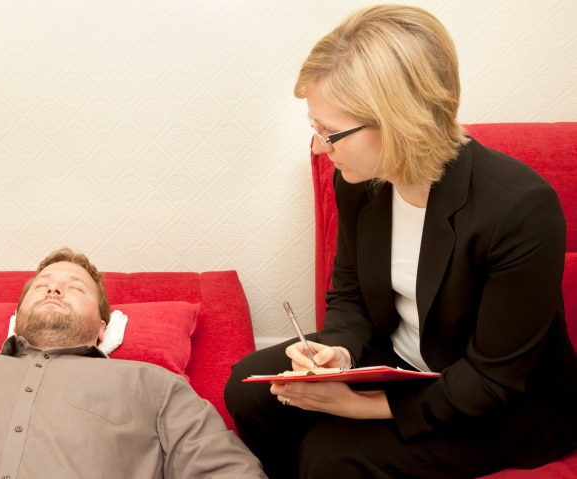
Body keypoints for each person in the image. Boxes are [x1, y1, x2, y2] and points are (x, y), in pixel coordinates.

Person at [224, 4, 577, 479]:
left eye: (330, 132)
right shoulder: (356, 180)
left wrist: (357, 406)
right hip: (403, 360)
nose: (320, 148)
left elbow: (490, 383)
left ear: (399, 121)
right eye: (316, 128)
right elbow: (349, 298)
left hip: (501, 402)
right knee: (248, 390)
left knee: (330, 457)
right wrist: (338, 354)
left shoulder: (520, 209)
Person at [0, 247, 267, 479]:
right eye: (43, 285)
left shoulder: (156, 385)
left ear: (103, 329)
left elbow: (224, 471)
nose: (55, 286)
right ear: (15, 318)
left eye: (76, 288)